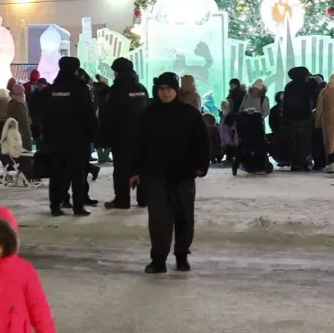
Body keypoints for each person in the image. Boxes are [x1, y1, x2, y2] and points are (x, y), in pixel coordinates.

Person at [129, 72, 211, 273]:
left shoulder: (190, 114)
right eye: (161, 89)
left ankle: (182, 255)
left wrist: (201, 165)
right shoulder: (148, 114)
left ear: (177, 91)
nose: (165, 93)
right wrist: (135, 171)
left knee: (183, 218)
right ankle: (158, 259)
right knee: (158, 219)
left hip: (183, 175)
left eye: (169, 89)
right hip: (155, 175)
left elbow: (202, 142)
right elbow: (137, 144)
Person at [38, 57, 98, 216]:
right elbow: (89, 115)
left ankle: (55, 206)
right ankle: (78, 207)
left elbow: (42, 115)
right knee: (78, 175)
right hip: (78, 141)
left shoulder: (50, 90)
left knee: (57, 174)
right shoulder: (81, 89)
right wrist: (94, 135)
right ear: (76, 70)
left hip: (55, 140)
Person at [99, 59, 149, 209]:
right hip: (142, 137)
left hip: (121, 137)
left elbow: (109, 116)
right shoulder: (141, 88)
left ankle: (122, 200)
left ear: (117, 72)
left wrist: (105, 138)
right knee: (141, 166)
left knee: (121, 169)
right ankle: (143, 199)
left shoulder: (116, 90)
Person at [277, 66, 317, 171]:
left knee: (293, 141)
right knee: (304, 141)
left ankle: (294, 163)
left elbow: (285, 104)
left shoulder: (289, 86)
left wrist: (284, 119)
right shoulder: (307, 85)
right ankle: (302, 162)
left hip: (291, 118)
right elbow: (314, 92)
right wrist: (312, 79)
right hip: (304, 117)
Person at [308, 74, 334, 174]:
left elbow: (319, 108)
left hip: (327, 119)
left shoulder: (324, 92)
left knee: (330, 142)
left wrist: (318, 121)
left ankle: (331, 166)